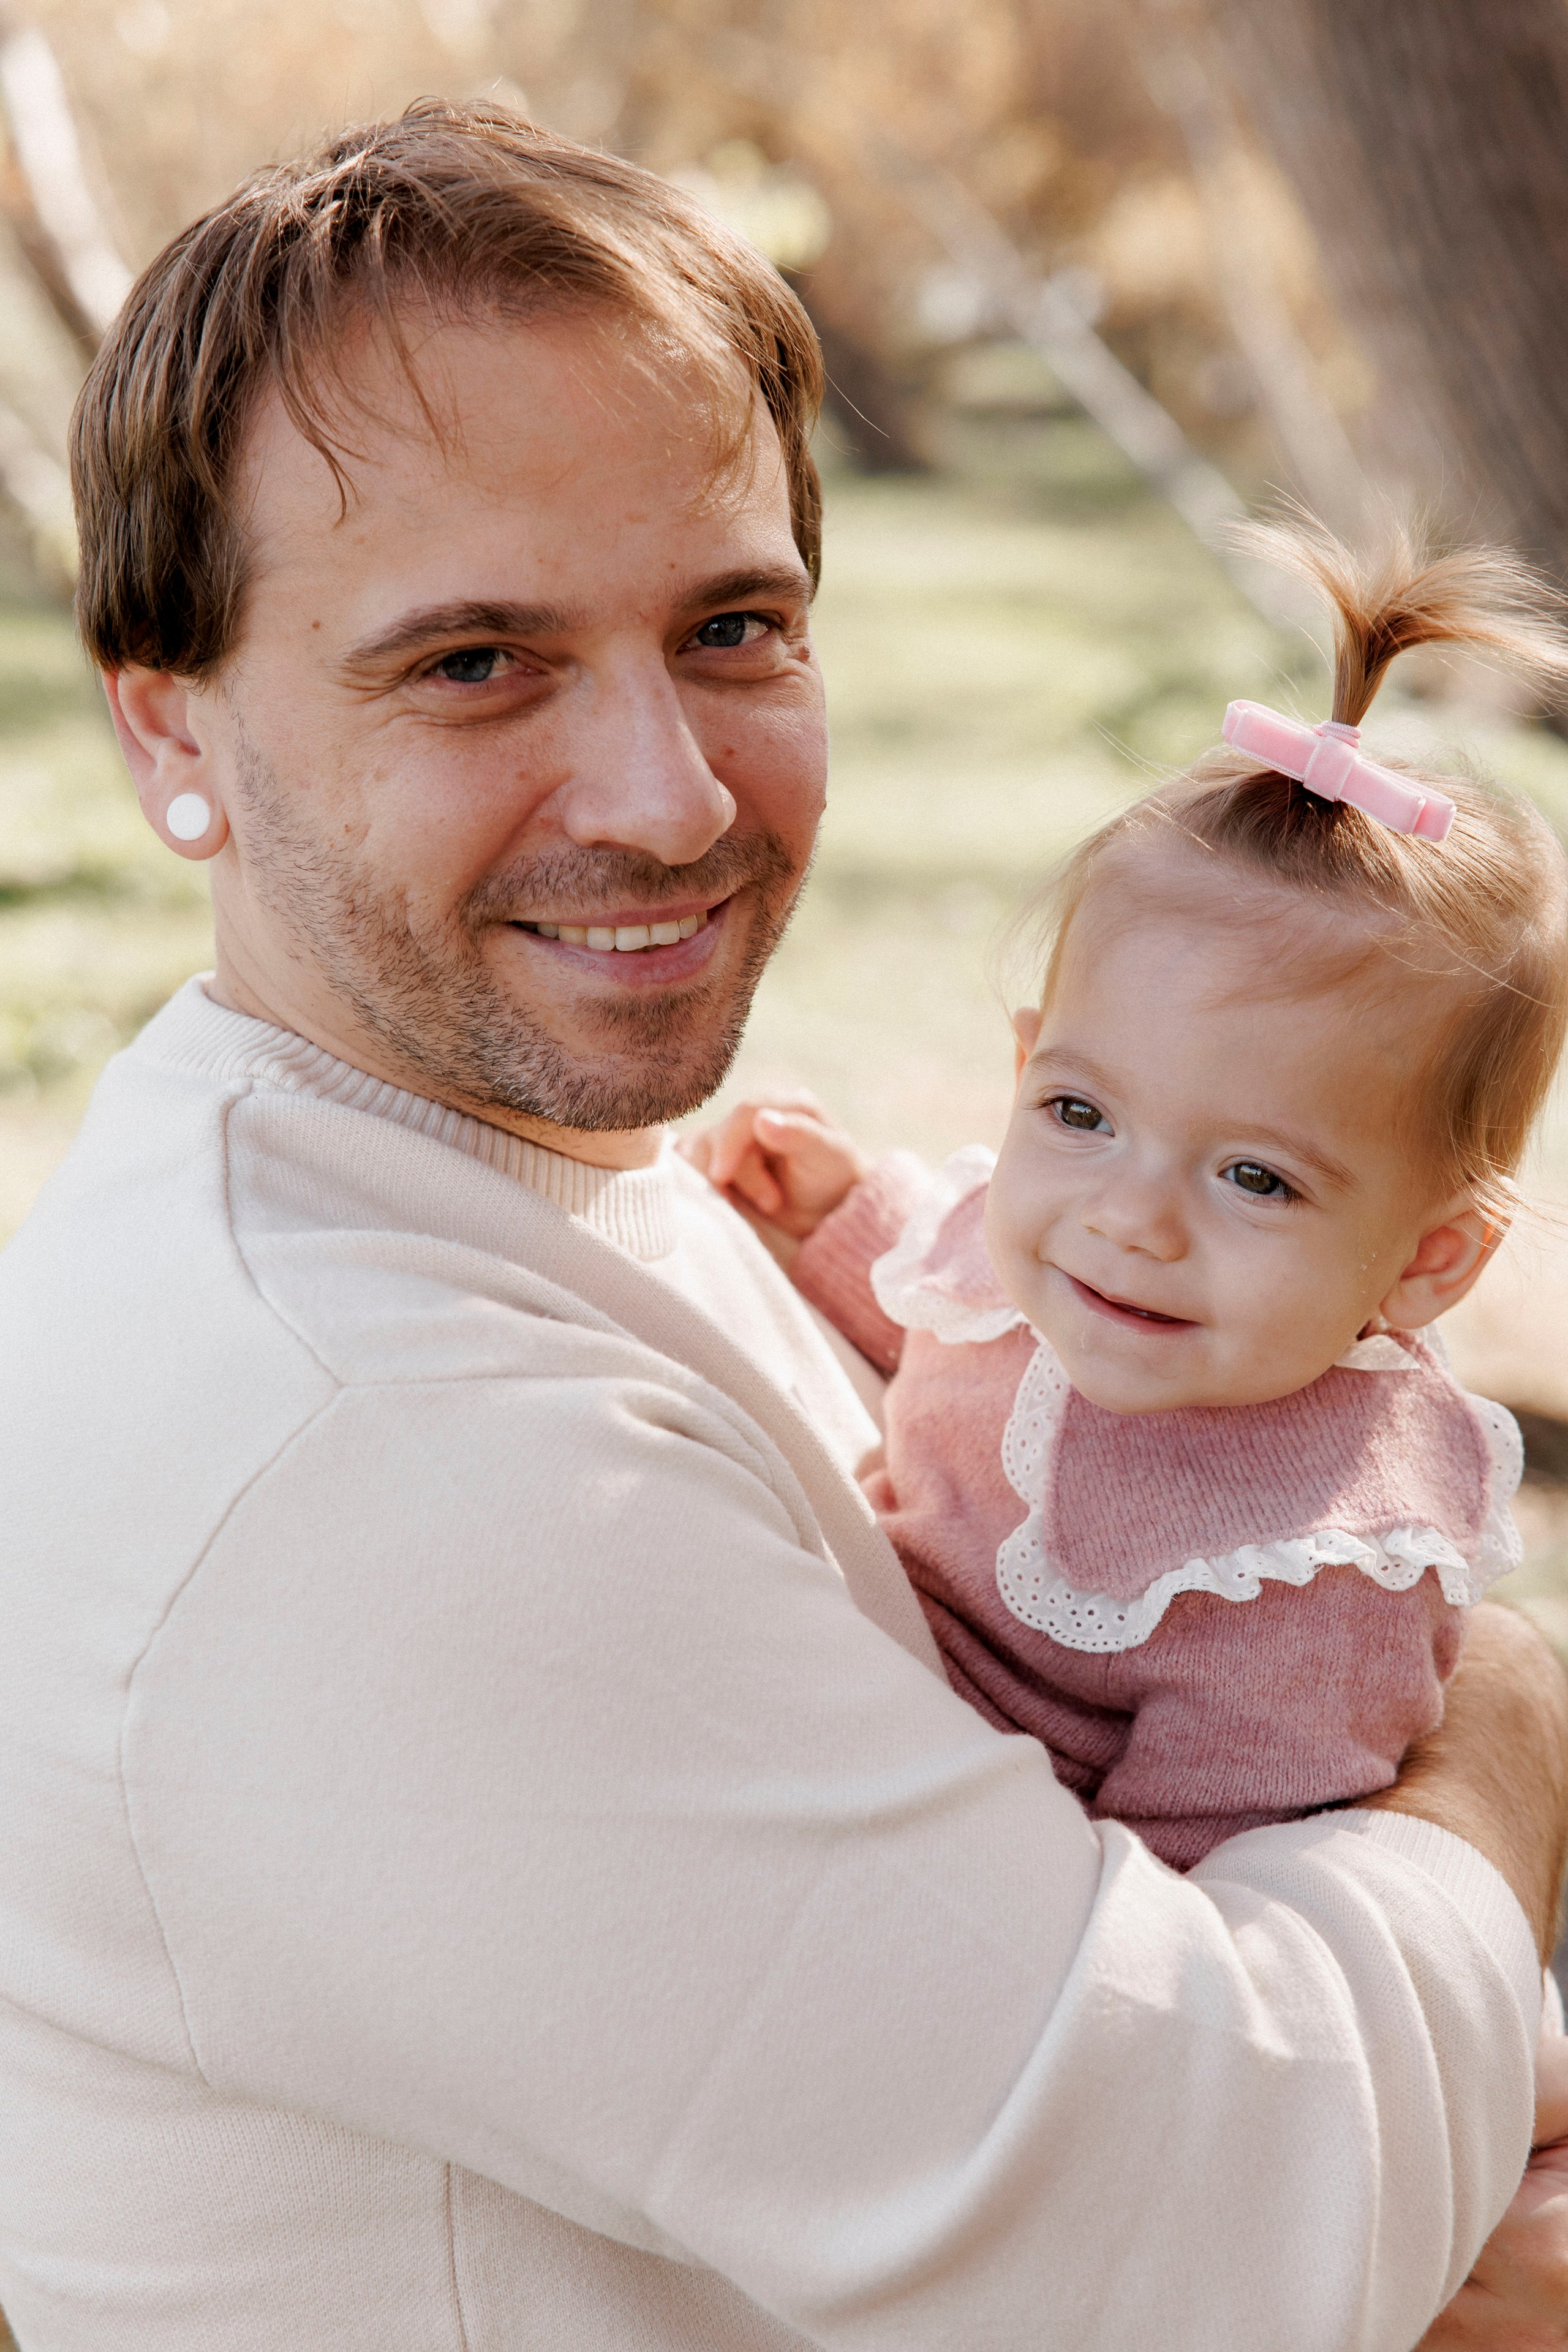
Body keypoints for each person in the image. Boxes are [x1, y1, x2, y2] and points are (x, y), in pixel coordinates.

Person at [0, 98, 1564, 2351]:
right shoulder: (374, 1445)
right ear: (174, 738)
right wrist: (1499, 1713)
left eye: (735, 625)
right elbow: (1216, 2236)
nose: (670, 798)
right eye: (474, 663)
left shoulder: (485, 1170)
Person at [699, 521, 1567, 1869]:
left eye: (1253, 1178)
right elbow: (947, 1309)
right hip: (857, 1724)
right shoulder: (1068, 1265)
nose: (1127, 1218)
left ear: (1426, 1262)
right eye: (1079, 1113)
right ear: (1022, 1069)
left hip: (1010, 1873)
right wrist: (830, 1214)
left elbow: (1196, 1915)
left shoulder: (1314, 1570)